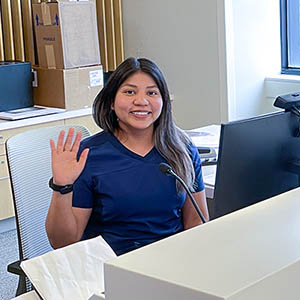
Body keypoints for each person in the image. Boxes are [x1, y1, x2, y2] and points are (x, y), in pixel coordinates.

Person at [46, 57, 209, 256]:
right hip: (111, 269)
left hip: (170, 263)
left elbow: (196, 222)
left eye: (152, 93)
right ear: (112, 102)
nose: (141, 101)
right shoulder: (88, 155)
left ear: (163, 101)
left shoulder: (182, 150)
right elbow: (62, 242)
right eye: (129, 91)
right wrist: (62, 186)